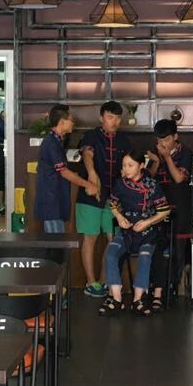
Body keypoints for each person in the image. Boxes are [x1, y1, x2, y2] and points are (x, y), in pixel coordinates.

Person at [98, 149, 170, 317]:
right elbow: (113, 204)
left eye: (130, 165)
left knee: (145, 257)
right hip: (126, 232)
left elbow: (164, 211)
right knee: (111, 254)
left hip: (148, 233)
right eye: (124, 165)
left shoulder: (152, 185)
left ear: (141, 165)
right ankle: (117, 299)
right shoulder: (120, 184)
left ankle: (138, 300)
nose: (126, 168)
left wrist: (147, 222)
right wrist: (119, 217)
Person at [77, 100, 128, 296]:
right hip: (92, 193)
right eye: (110, 117)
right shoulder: (91, 135)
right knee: (90, 238)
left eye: (117, 118)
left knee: (112, 238)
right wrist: (91, 174)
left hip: (114, 196)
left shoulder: (123, 140)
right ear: (101, 118)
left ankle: (105, 280)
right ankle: (91, 283)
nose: (114, 122)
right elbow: (87, 154)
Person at [145, 118, 193, 311]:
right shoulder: (155, 152)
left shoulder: (186, 153)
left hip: (180, 207)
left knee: (178, 249)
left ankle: (175, 287)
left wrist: (166, 158)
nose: (162, 143)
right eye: (159, 140)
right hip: (159, 207)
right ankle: (157, 287)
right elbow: (147, 179)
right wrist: (156, 161)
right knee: (158, 246)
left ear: (175, 137)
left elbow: (179, 178)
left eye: (166, 139)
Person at [34, 104, 96, 234]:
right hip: (52, 200)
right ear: (62, 122)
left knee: (58, 238)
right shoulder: (51, 143)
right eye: (71, 120)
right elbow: (64, 172)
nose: (73, 123)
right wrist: (88, 184)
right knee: (56, 240)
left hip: (56, 197)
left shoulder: (57, 141)